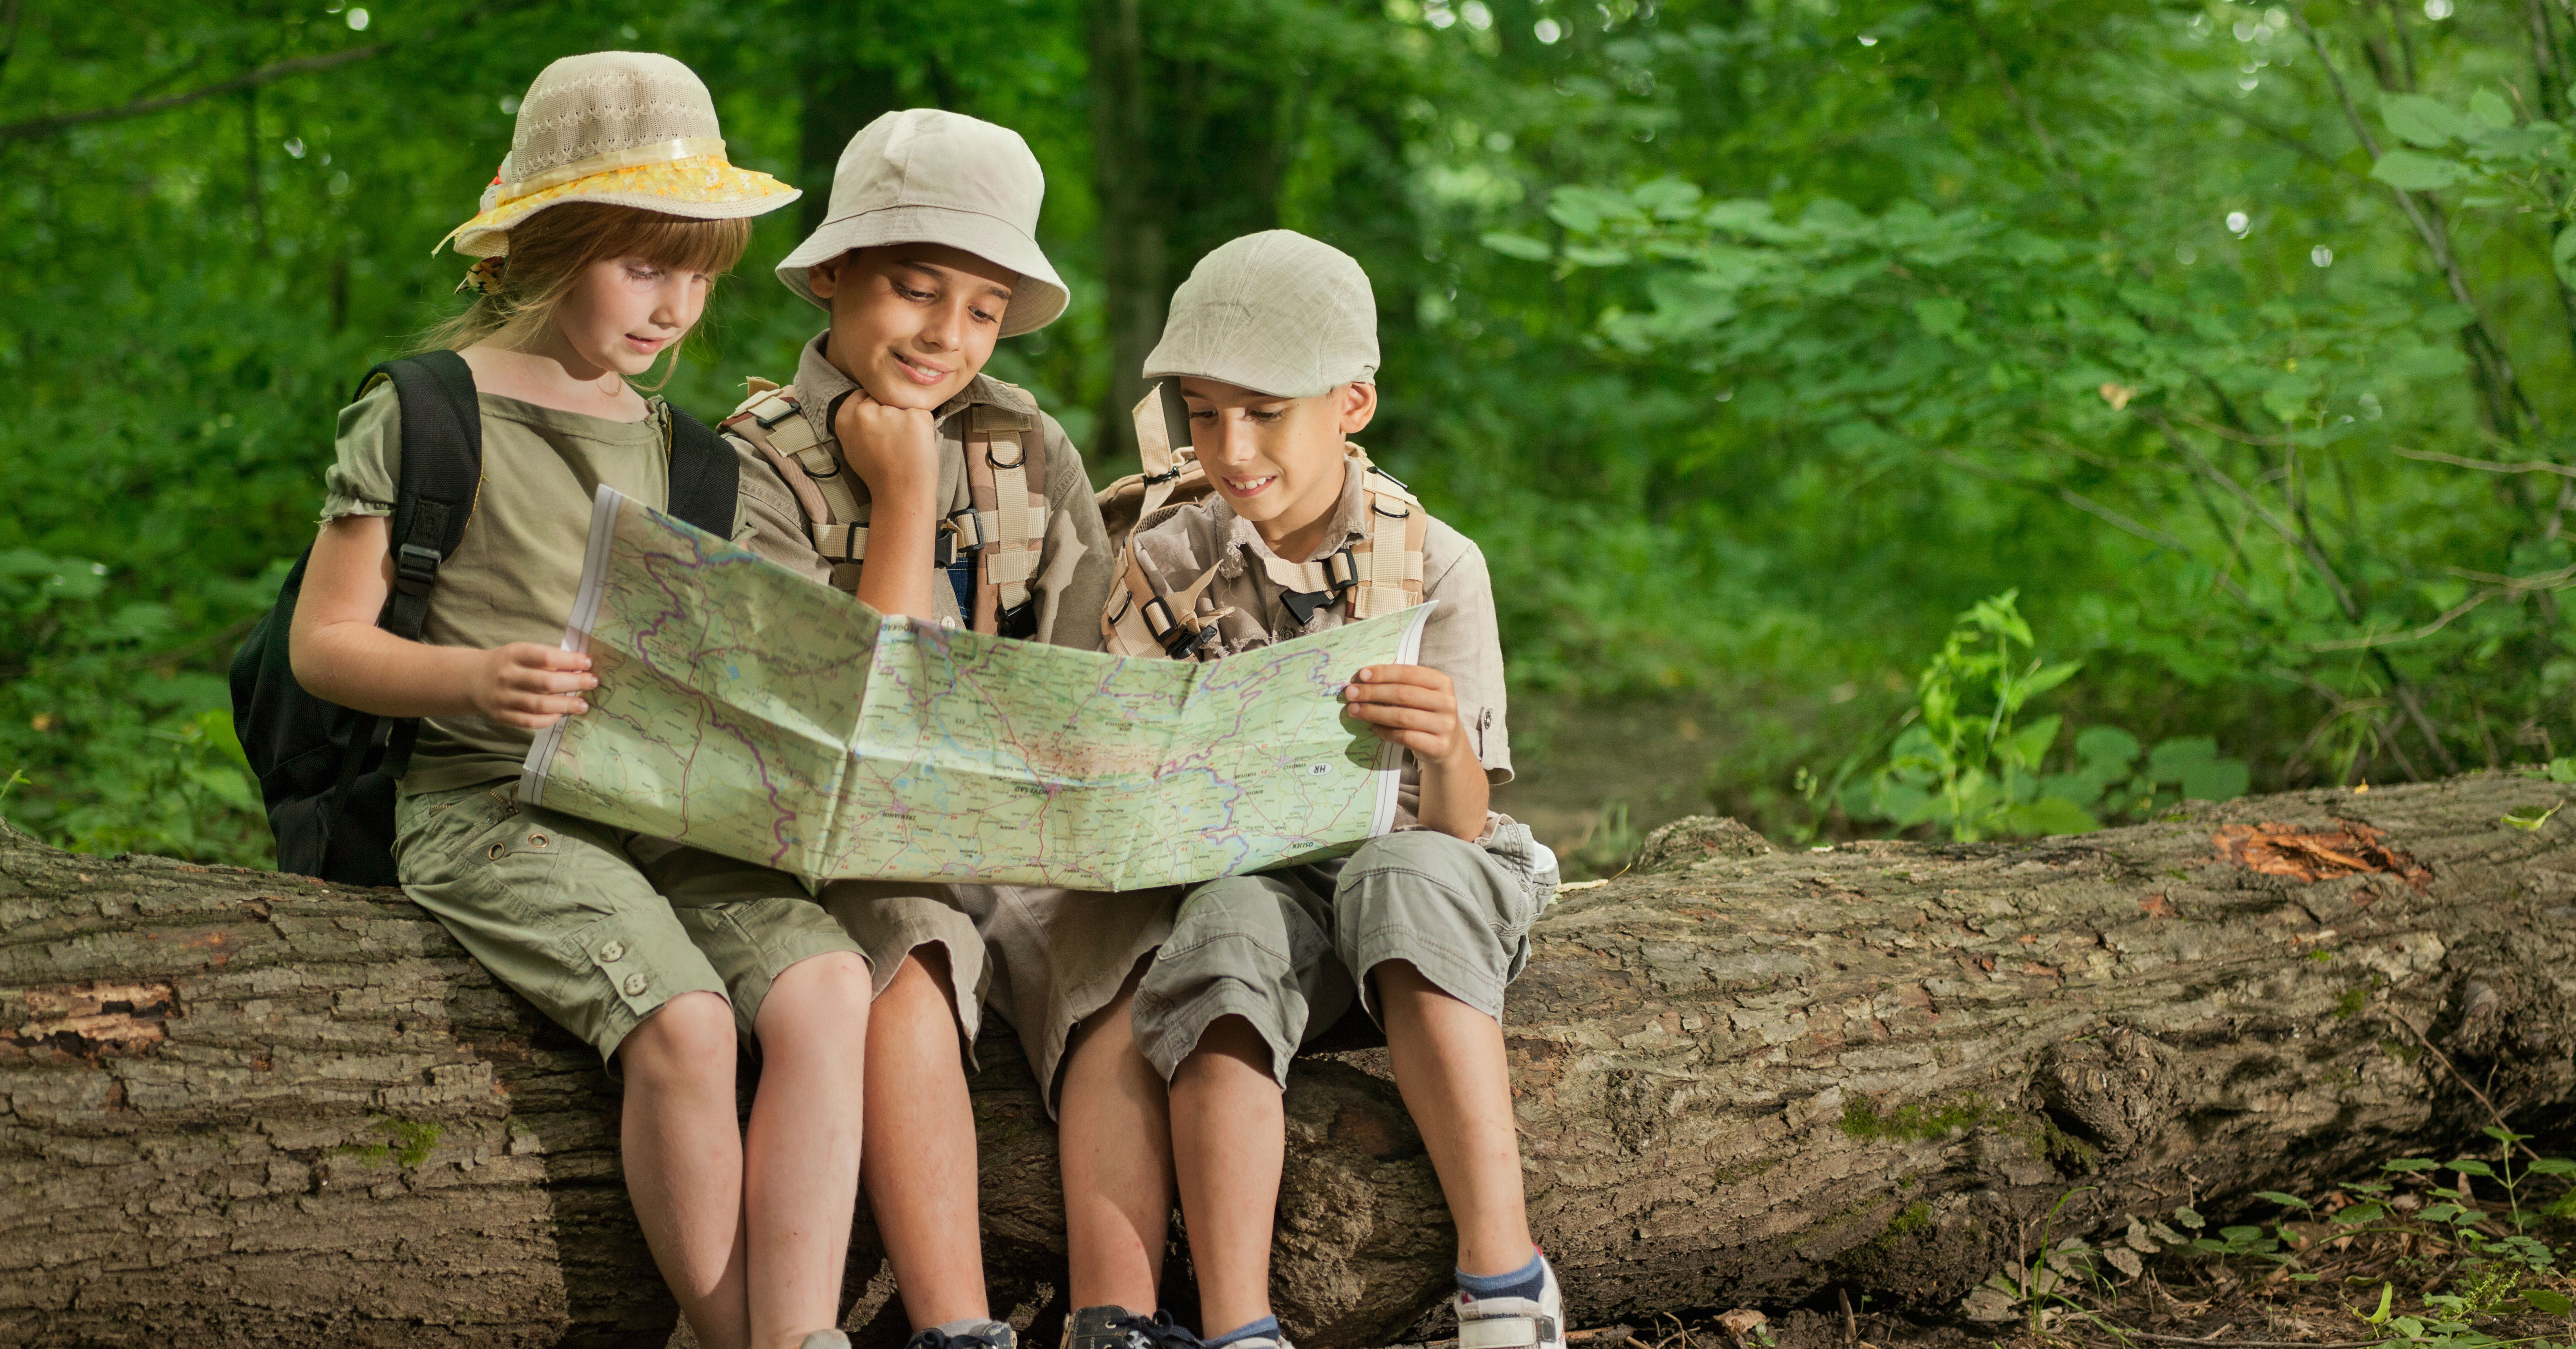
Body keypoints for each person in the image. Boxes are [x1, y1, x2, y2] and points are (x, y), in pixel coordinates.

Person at [286, 52, 872, 1349]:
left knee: (832, 985)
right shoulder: (428, 412)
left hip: (663, 808)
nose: (677, 306)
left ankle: (803, 1326)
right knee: (686, 1020)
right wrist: (468, 677)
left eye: (702, 270)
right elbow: (324, 641)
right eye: (645, 264)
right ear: (539, 248)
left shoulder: (688, 453)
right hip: (493, 804)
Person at [648, 107, 1179, 1349]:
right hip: (840, 846)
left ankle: (1122, 1315)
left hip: (1011, 828)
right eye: (916, 289)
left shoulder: (1025, 443)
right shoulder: (755, 465)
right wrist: (899, 499)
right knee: (912, 934)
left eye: (985, 308)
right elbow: (843, 715)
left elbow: (1086, 667)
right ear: (833, 274)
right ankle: (959, 1327)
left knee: (1128, 939)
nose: (948, 335)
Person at [1059, 231, 1564, 1349]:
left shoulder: (1434, 563)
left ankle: (1506, 1280)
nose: (1231, 448)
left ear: (1352, 403)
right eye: (1202, 413)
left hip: (1405, 874)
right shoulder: (1160, 556)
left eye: (1265, 413)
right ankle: (1242, 1325)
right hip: (1252, 885)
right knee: (1225, 932)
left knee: (1405, 874)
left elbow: (1462, 826)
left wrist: (1443, 745)